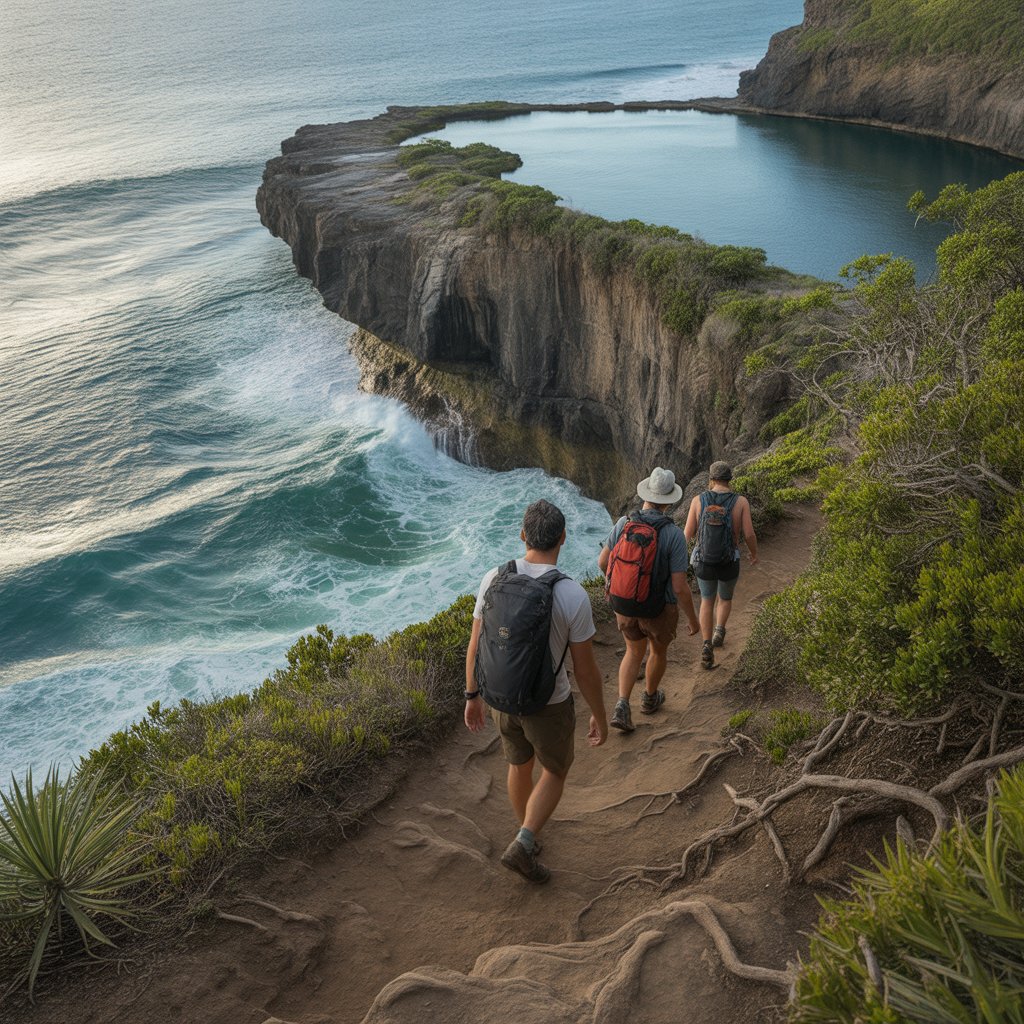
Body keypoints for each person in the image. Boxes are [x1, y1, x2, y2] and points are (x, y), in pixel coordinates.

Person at [464, 499, 608, 884]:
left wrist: (472, 695)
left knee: (518, 764)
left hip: (500, 698)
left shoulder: (492, 577)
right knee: (557, 770)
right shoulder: (572, 594)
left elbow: (476, 644)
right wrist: (600, 714)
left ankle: (528, 834)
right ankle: (526, 840)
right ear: (563, 538)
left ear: (523, 535)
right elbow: (585, 670)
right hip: (549, 703)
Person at [598, 467, 699, 733]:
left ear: (646, 494)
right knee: (657, 652)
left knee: (633, 652)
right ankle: (650, 698)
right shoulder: (674, 535)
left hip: (625, 605)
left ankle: (622, 705)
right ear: (669, 501)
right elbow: (679, 586)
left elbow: (602, 562)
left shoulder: (623, 524)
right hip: (658, 609)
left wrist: (620, 586)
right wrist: (693, 619)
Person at [683, 461, 758, 671]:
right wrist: (753, 553)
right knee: (725, 598)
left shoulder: (698, 500)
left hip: (704, 562)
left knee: (706, 601)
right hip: (729, 560)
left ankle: (706, 644)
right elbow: (749, 534)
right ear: (729, 479)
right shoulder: (740, 502)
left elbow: (687, 534)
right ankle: (719, 631)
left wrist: (679, 559)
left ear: (712, 479)